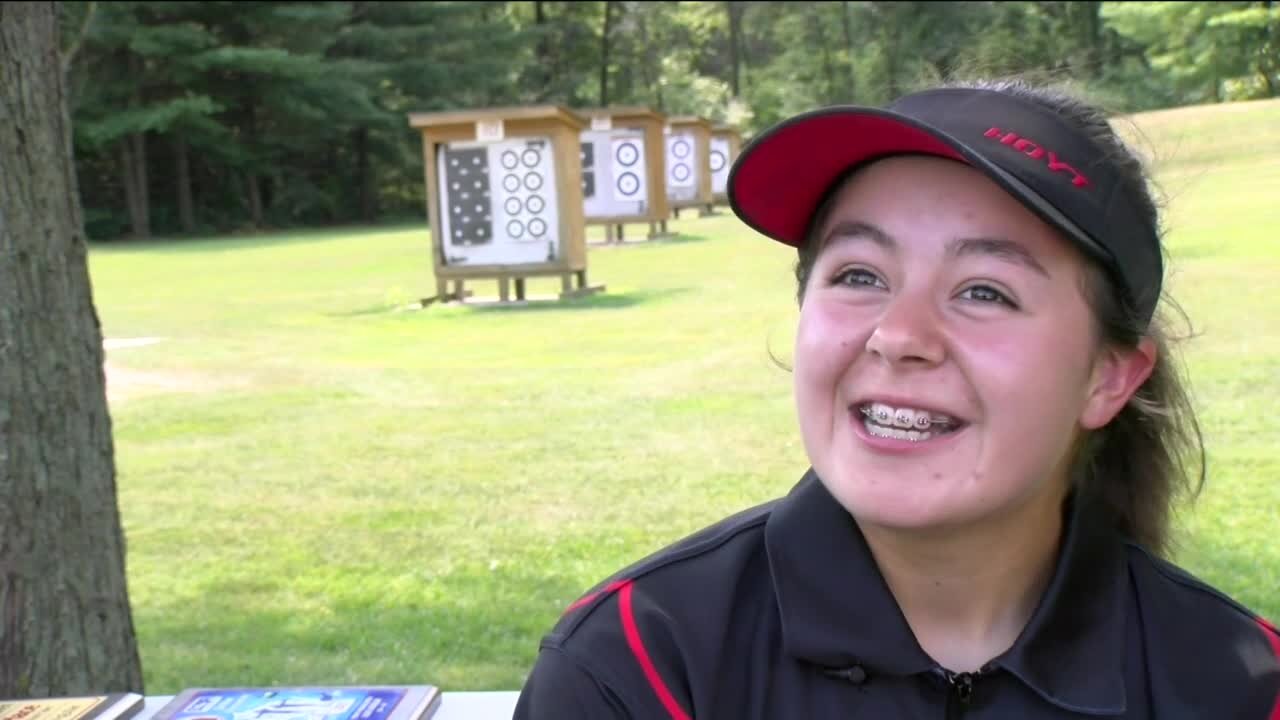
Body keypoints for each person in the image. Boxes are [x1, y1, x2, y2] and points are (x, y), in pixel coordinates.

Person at [512, 78, 1280, 718]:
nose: (898, 333)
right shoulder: (640, 672)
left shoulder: (1236, 689)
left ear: (1109, 377)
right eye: (859, 276)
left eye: (984, 291)